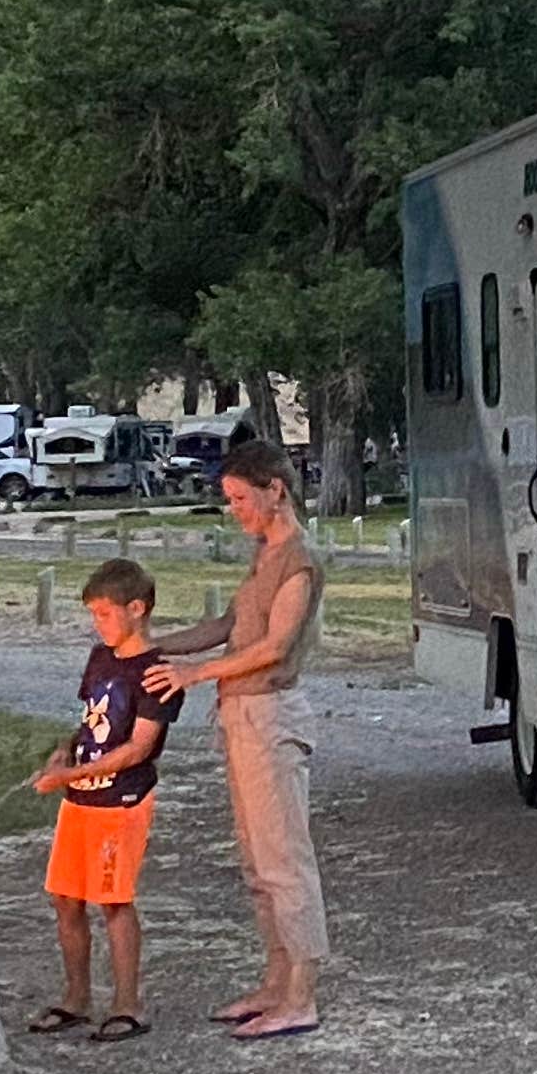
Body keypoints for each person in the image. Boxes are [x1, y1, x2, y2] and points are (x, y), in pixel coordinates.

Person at [146, 437, 328, 1041]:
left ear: (276, 491)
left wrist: (195, 674)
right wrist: (155, 647)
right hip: (241, 715)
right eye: (229, 499)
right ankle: (274, 981)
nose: (235, 510)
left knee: (284, 862)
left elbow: (273, 646)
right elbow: (230, 625)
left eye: (241, 498)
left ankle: (301, 995)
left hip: (272, 715)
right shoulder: (263, 554)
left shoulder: (298, 559)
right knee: (256, 864)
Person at [26, 557, 173, 1043]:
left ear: (137, 609)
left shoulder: (154, 672)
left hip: (121, 801)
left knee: (113, 900)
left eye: (105, 614)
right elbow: (93, 721)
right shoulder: (100, 658)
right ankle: (76, 998)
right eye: (94, 614)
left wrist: (72, 774)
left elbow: (139, 747)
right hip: (80, 799)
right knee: (66, 898)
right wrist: (65, 752)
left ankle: (128, 1004)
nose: (98, 623)